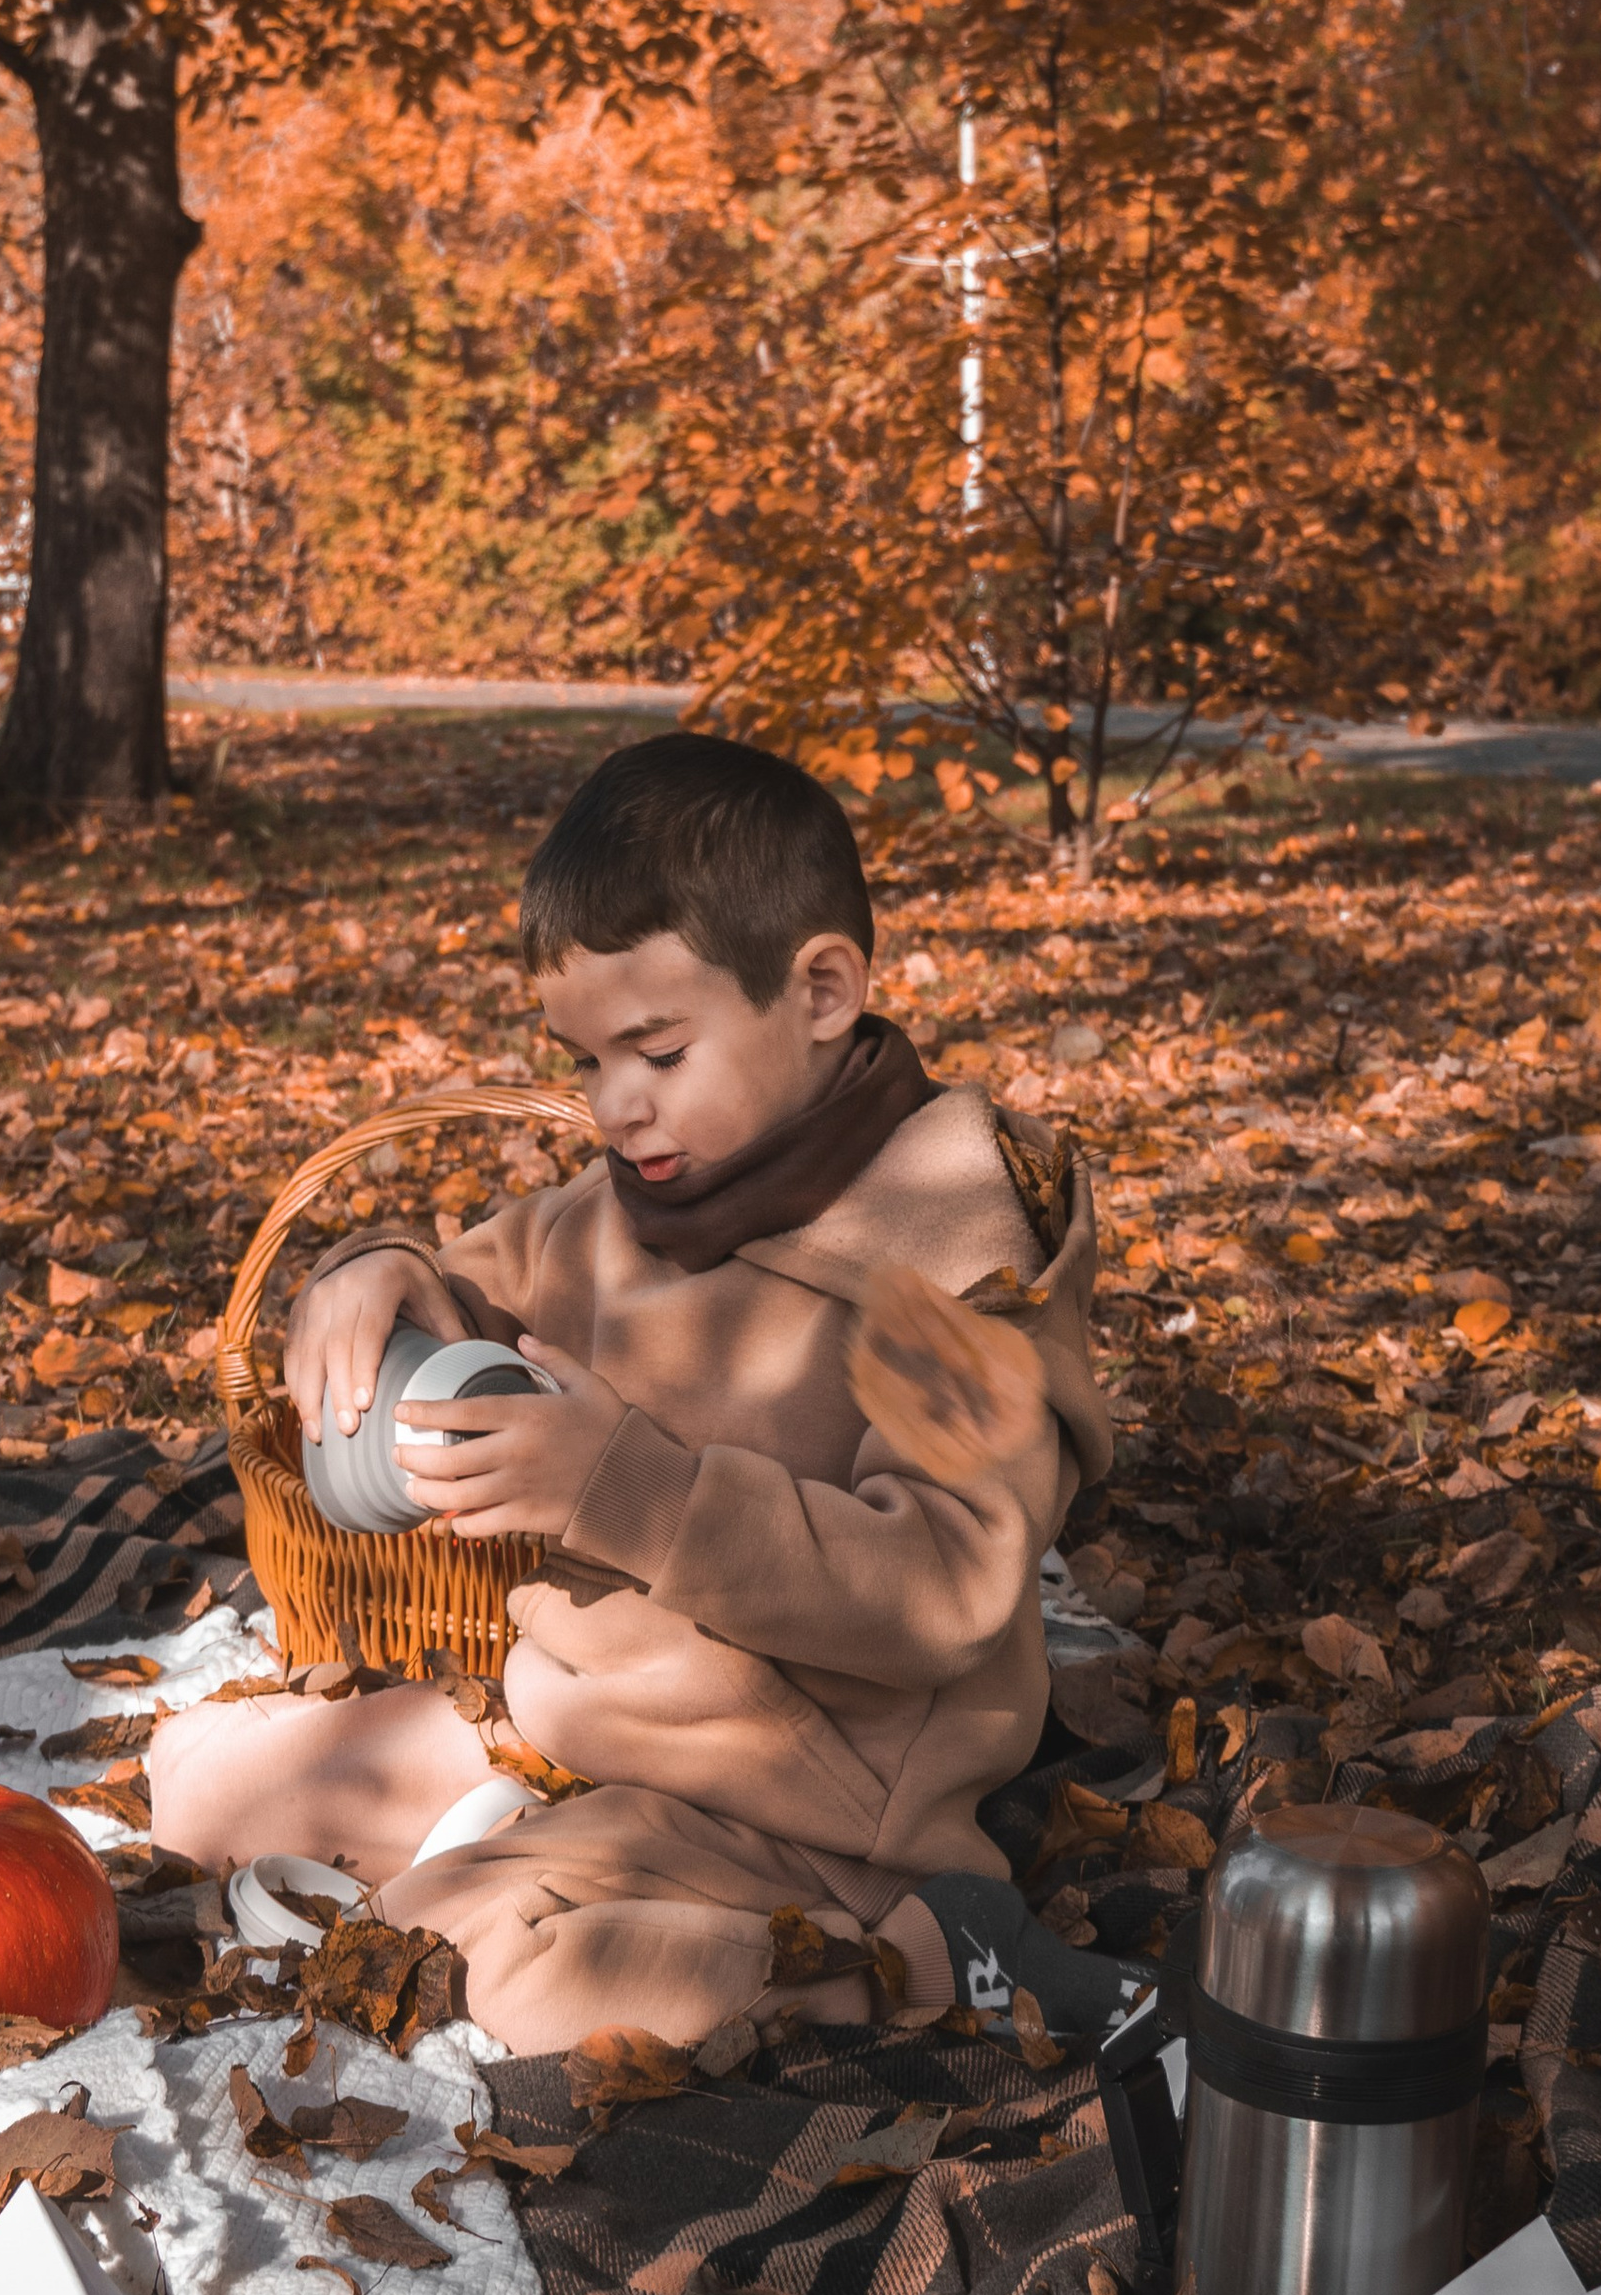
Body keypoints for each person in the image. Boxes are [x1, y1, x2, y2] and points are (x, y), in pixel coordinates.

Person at [147, 731, 1118, 2056]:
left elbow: (947, 1587)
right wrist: (373, 1271)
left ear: (823, 989)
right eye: (587, 1058)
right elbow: (473, 1288)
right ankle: (524, 1843)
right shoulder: (635, 1203)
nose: (614, 1107)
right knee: (198, 1791)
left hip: (811, 1799)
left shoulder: (944, 1251)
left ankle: (937, 1952)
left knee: (472, 1960)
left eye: (656, 1051)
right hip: (595, 1725)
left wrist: (627, 1491)